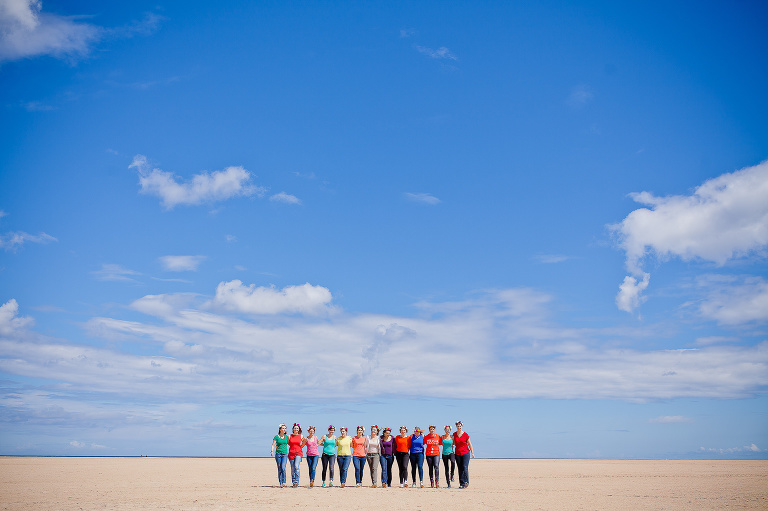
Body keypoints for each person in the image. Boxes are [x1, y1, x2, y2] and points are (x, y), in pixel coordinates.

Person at [453, 421, 475, 489]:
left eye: (460, 426)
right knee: (460, 469)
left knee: (465, 467)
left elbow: (469, 444)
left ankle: (466, 482)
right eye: (458, 426)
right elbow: (453, 443)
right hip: (457, 453)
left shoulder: (465, 434)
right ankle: (461, 483)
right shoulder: (454, 434)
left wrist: (472, 452)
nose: (459, 427)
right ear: (456, 427)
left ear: (462, 427)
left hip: (465, 453)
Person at [270, 423, 289, 488]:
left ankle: (284, 482)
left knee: (283, 467)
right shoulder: (276, 437)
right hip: (278, 454)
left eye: (285, 428)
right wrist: (272, 451)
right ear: (280, 429)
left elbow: (290, 443)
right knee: (279, 468)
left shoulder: (286, 436)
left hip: (284, 454)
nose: (284, 429)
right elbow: (273, 445)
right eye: (283, 428)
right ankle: (281, 482)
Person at [287, 423, 304, 488]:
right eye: (295, 428)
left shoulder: (301, 436)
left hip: (298, 453)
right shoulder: (289, 436)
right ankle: (293, 482)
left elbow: (304, 442)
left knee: (296, 466)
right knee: (292, 468)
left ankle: (297, 481)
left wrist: (300, 447)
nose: (296, 429)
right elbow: (288, 443)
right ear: (293, 429)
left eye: (297, 428)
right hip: (291, 453)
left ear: (299, 429)